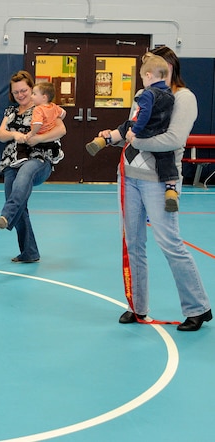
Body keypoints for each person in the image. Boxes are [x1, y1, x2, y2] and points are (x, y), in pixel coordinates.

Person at [94, 46, 211, 331]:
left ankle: (198, 308)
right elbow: (135, 128)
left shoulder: (184, 97)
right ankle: (138, 306)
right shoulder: (144, 94)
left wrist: (134, 140)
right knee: (133, 243)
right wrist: (112, 137)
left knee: (170, 242)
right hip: (129, 177)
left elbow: (173, 138)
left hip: (161, 181)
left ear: (171, 66)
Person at [87, 54, 178, 211]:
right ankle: (171, 189)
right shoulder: (170, 95)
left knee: (126, 126)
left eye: (143, 77)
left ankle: (105, 140)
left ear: (148, 75)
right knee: (167, 158)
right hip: (161, 132)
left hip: (144, 130)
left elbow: (144, 114)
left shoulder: (148, 93)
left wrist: (134, 130)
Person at [0, 71, 66, 263]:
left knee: (25, 175)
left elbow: (61, 129)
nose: (20, 95)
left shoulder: (44, 107)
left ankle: (6, 214)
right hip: (12, 161)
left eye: (24, 90)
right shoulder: (10, 112)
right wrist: (15, 135)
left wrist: (37, 139)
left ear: (31, 89)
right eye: (16, 92)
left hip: (38, 160)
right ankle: (29, 252)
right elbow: (0, 134)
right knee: (18, 203)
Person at [12, 81, 66, 167]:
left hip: (39, 134)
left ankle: (21, 157)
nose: (32, 96)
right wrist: (52, 122)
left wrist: (32, 133)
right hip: (49, 139)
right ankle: (56, 154)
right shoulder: (54, 107)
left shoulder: (38, 109)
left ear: (44, 97)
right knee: (52, 145)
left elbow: (38, 124)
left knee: (22, 143)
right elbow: (63, 113)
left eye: (34, 94)